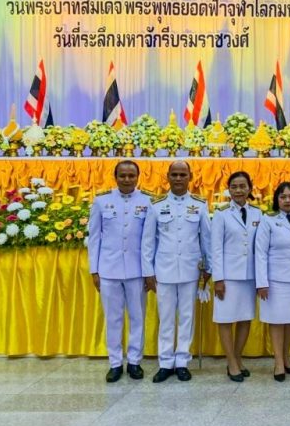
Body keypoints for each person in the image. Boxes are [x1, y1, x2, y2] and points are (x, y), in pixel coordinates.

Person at [142, 160, 212, 383]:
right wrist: (148, 271)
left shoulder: (199, 204)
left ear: (190, 177)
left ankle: (182, 361)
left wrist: (208, 267)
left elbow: (206, 238)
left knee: (186, 317)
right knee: (166, 317)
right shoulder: (156, 205)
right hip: (164, 270)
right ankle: (165, 362)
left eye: (183, 174)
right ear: (168, 177)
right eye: (175, 174)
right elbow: (148, 242)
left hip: (191, 270)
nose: (179, 178)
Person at [87, 160, 151, 383]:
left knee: (137, 317)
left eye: (131, 175)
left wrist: (149, 272)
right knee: (113, 318)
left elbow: (150, 239)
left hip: (137, 270)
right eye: (122, 175)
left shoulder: (147, 201)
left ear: (137, 177)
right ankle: (115, 363)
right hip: (108, 269)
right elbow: (94, 238)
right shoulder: (101, 201)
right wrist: (94, 270)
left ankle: (134, 361)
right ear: (115, 177)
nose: (127, 179)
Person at [255, 181, 290, 382]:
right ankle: (278, 361)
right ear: (277, 200)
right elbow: (260, 253)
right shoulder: (268, 220)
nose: (287, 200)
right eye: (283, 197)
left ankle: (286, 358)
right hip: (275, 278)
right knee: (277, 320)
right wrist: (262, 282)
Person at [210, 171, 261, 382]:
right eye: (234, 187)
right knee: (225, 319)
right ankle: (231, 362)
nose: (238, 190)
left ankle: (237, 358)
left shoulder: (258, 213)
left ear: (250, 188)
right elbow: (216, 249)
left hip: (250, 276)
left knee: (245, 318)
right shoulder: (221, 214)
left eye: (242, 186)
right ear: (228, 190)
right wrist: (218, 279)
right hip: (228, 276)